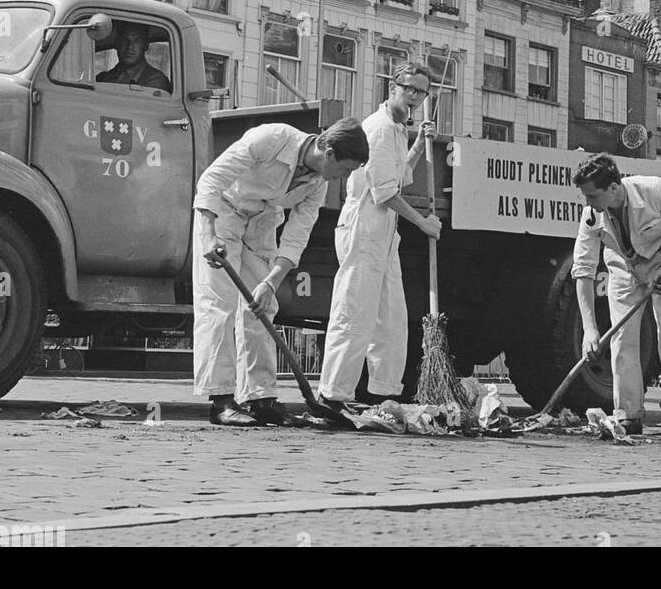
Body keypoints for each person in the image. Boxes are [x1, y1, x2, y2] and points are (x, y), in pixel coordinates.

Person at [192, 118, 369, 426]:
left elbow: (296, 236)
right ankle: (220, 401)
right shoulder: (271, 138)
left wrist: (270, 283)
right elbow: (211, 180)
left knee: (262, 309)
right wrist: (208, 233)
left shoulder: (318, 184)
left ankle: (261, 399)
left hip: (262, 222)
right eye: (346, 169)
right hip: (224, 214)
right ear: (328, 153)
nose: (345, 177)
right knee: (218, 305)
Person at [316, 65, 444, 416]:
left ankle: (382, 393)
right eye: (410, 90)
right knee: (354, 312)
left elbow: (398, 174)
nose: (416, 98)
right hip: (365, 224)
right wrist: (423, 223)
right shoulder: (380, 128)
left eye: (422, 92)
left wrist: (418, 145)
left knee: (390, 316)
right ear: (393, 87)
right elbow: (385, 192)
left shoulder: (397, 130)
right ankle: (332, 396)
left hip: (385, 231)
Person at [571, 152, 661, 437]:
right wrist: (590, 330)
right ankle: (628, 413)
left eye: (592, 195)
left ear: (613, 189)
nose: (587, 203)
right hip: (624, 267)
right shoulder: (592, 215)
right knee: (622, 336)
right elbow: (583, 270)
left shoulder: (657, 190)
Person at [96, 22, 171, 92]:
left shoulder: (156, 81)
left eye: (136, 41)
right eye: (125, 40)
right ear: (117, 43)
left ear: (146, 45)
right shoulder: (103, 78)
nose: (130, 46)